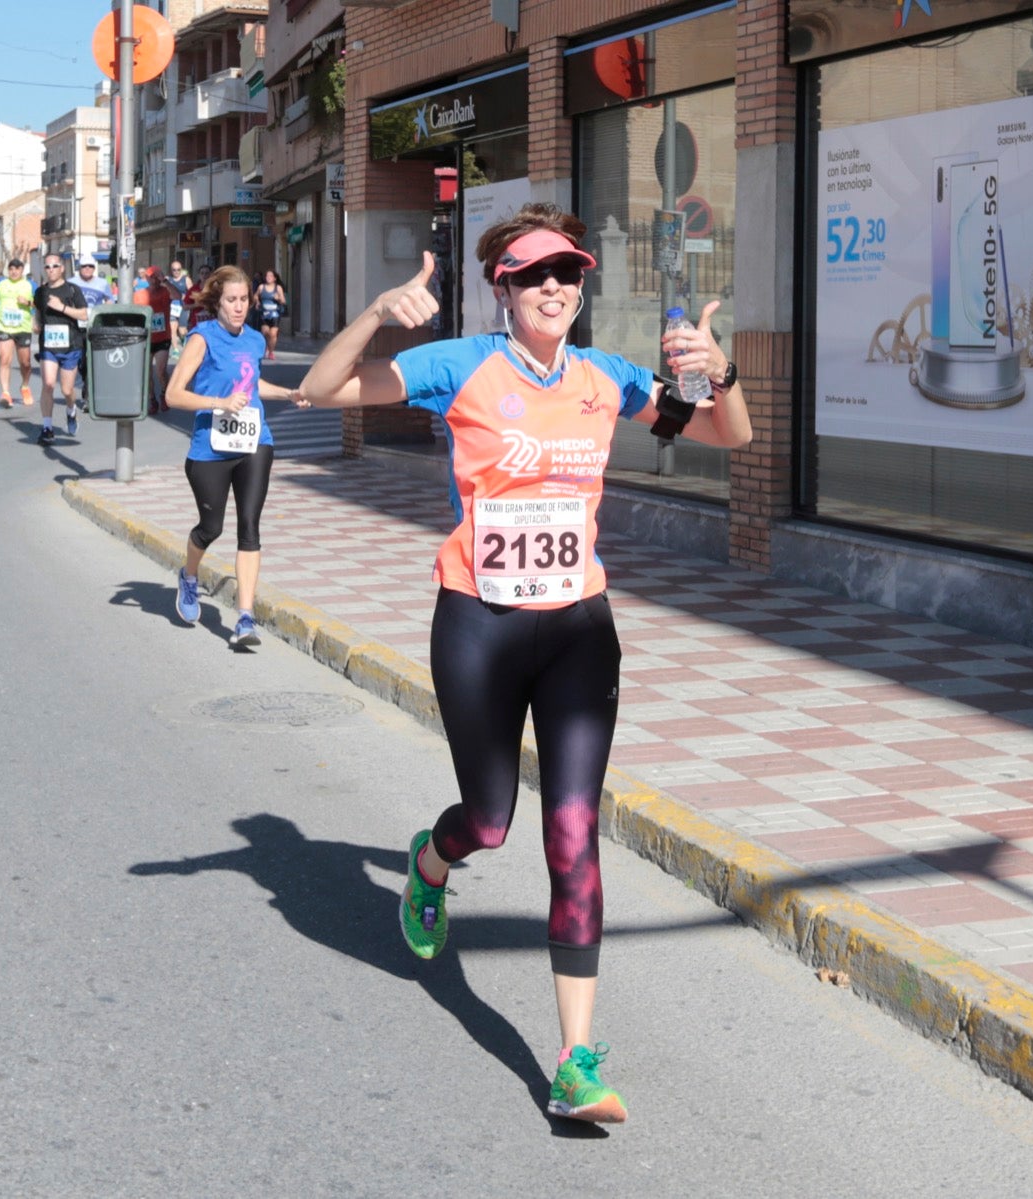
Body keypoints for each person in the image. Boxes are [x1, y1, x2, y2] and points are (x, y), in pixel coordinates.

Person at [299, 203, 751, 1125]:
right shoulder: (458, 365)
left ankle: (576, 1058)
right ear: (502, 287)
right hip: (479, 621)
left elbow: (726, 437)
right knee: (493, 820)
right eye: (535, 274)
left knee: (575, 830)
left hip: (579, 626)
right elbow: (319, 387)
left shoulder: (605, 378)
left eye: (569, 275)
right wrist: (378, 315)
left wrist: (724, 373)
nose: (555, 288)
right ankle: (432, 859)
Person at [168, 265, 307, 649]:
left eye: (245, 299)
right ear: (217, 301)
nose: (239, 307)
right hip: (209, 448)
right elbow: (173, 394)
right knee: (210, 527)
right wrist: (220, 403)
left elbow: (252, 383)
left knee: (250, 525)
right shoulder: (202, 338)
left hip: (254, 441)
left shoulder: (254, 340)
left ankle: (246, 618)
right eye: (232, 300)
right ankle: (189, 576)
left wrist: (289, 393)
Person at [33, 256, 90, 443]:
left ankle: (71, 410)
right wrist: (36, 324)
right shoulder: (40, 291)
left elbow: (83, 314)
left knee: (67, 390)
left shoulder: (73, 290)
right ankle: (47, 428)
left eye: (55, 266)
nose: (51, 269)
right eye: (47, 266)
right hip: (48, 345)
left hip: (71, 345)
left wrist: (62, 307)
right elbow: (39, 312)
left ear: (62, 268)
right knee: (48, 384)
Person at [0, 258, 36, 408]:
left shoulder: (30, 284)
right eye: (11, 269)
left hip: (23, 327)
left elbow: (40, 301)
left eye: (17, 269)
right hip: (5, 326)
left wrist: (28, 303)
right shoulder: (1, 283)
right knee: (4, 359)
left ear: (22, 270)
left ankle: (25, 386)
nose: (14, 272)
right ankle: (5, 393)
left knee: (25, 363)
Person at [74, 258, 116, 409]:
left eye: (90, 266)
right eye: (84, 266)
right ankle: (86, 384)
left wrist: (106, 316)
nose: (87, 268)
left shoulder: (102, 283)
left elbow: (109, 301)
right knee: (81, 362)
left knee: (93, 361)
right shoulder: (71, 282)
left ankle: (88, 397)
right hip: (76, 327)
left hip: (94, 327)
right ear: (79, 267)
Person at [138, 266, 174, 415]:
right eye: (152, 276)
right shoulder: (139, 295)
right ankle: (152, 399)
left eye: (157, 276)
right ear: (146, 278)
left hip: (163, 337)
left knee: (160, 370)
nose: (155, 279)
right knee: (146, 373)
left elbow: (178, 296)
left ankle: (165, 393)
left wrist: (165, 281)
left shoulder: (165, 291)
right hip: (146, 338)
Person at [255, 269, 286, 359]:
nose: (268, 278)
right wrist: (257, 301)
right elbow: (255, 295)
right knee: (265, 332)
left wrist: (279, 298)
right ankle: (266, 347)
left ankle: (271, 352)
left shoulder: (278, 288)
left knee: (273, 334)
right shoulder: (261, 287)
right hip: (264, 313)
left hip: (275, 314)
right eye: (267, 276)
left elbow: (284, 301)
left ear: (274, 278)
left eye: (270, 276)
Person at [165, 259, 191, 352]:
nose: (176, 272)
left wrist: (185, 297)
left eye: (178, 269)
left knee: (182, 330)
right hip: (172, 307)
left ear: (181, 269)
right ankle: (175, 350)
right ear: (171, 270)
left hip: (183, 306)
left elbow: (192, 293)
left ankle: (185, 339)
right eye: (174, 270)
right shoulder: (168, 279)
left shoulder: (186, 279)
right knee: (172, 330)